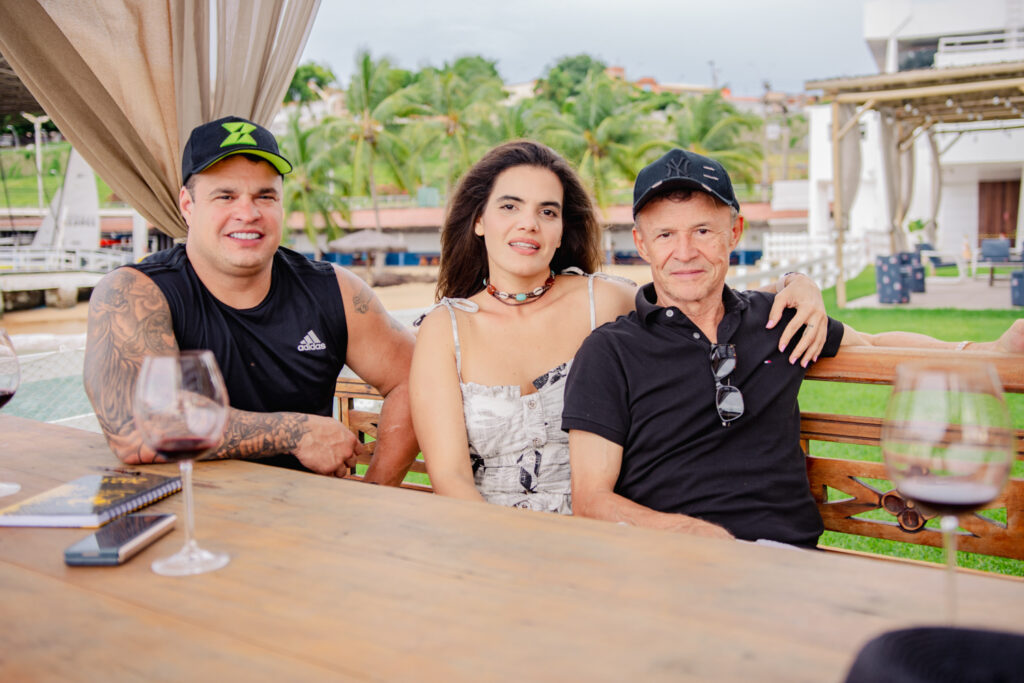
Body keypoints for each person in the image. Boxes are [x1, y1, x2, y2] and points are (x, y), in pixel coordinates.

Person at [563, 148, 1024, 545]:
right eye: (666, 235)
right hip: (667, 559)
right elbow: (591, 500)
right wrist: (689, 534)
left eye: (703, 230)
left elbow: (874, 343)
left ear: (734, 232)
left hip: (786, 559)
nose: (684, 252)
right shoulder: (610, 352)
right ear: (642, 243)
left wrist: (987, 351)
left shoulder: (778, 319)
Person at [409, 140, 829, 513]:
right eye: (509, 206)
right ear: (479, 220)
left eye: (548, 211)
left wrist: (796, 285)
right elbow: (451, 479)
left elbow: (695, 294)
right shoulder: (446, 329)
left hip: (604, 536)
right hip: (487, 536)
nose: (529, 223)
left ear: (562, 229)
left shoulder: (604, 301)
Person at [84, 116, 418, 484]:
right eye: (225, 196)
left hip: (307, 511)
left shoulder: (335, 290)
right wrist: (295, 432)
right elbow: (134, 427)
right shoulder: (134, 293)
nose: (248, 213)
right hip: (185, 511)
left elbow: (414, 380)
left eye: (265, 196)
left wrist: (376, 491)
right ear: (188, 205)